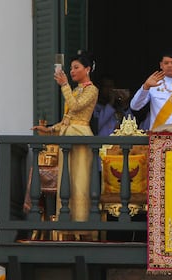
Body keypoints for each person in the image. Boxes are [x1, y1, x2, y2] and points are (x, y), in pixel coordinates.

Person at [32, 51, 98, 223]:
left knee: (79, 181)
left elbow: (75, 107)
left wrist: (64, 85)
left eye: (76, 67)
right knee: (66, 181)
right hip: (67, 136)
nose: (72, 71)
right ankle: (67, 223)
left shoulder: (92, 90)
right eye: (71, 68)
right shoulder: (75, 90)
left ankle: (81, 223)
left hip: (81, 137)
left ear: (88, 69)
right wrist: (49, 130)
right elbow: (66, 120)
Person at [130, 51, 172, 130]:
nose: (169, 65)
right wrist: (145, 87)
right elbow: (135, 106)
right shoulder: (153, 85)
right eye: (166, 63)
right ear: (161, 65)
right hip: (158, 136)